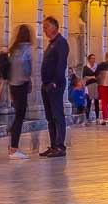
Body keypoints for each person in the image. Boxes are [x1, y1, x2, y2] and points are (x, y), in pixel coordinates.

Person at [39, 15, 68, 158]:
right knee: (50, 117)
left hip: (55, 85)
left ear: (54, 27)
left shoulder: (61, 43)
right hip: (46, 84)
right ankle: (53, 145)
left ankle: (60, 146)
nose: (44, 30)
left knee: (57, 115)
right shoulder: (51, 43)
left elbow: (61, 64)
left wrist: (55, 82)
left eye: (46, 27)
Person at [7, 24, 33, 158]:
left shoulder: (14, 49)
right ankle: (14, 148)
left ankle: (12, 143)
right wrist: (29, 79)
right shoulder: (26, 49)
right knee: (20, 117)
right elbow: (27, 69)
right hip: (21, 84)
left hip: (13, 85)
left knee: (18, 115)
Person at [82, 53, 99, 123]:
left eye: (94, 58)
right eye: (92, 58)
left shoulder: (97, 67)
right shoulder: (85, 68)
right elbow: (84, 77)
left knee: (96, 101)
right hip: (89, 86)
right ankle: (87, 117)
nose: (93, 60)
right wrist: (92, 77)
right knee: (88, 101)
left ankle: (97, 117)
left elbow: (98, 76)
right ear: (89, 59)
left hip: (96, 85)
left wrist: (91, 77)